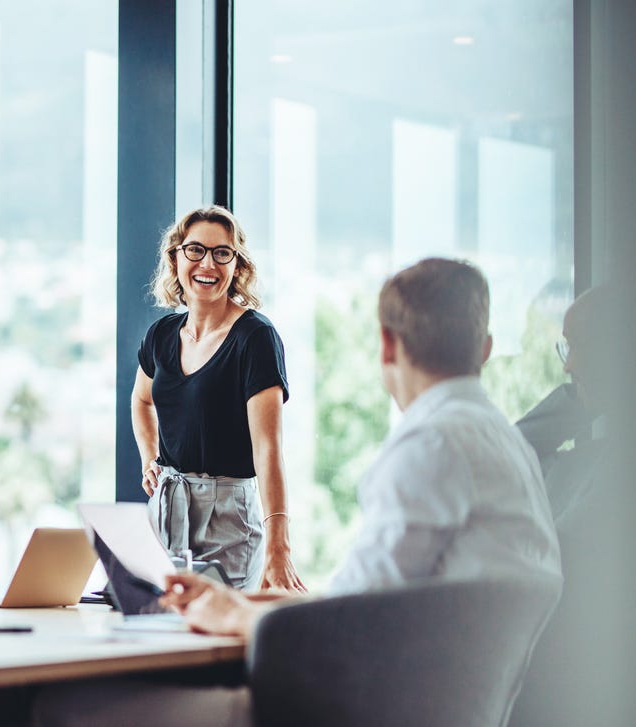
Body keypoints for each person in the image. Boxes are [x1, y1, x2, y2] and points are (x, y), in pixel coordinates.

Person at [32, 258, 562, 727]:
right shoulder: (505, 443)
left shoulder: (430, 445)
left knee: (64, 708)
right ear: (486, 349)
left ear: (387, 345)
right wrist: (237, 599)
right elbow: (380, 597)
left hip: (346, 708)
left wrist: (232, 615)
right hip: (433, 705)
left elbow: (353, 623)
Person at [132, 205, 303, 591]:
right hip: (165, 509)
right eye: (195, 250)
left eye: (221, 253)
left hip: (228, 517)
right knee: (159, 635)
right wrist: (149, 459)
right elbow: (142, 401)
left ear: (237, 266)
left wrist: (280, 546)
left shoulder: (255, 338)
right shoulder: (161, 335)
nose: (207, 263)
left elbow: (268, 448)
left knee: (218, 642)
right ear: (176, 258)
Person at [516, 284, 610, 527]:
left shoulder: (618, 468)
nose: (567, 366)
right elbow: (503, 457)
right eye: (567, 348)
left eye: (579, 346)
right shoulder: (589, 459)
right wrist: (582, 399)